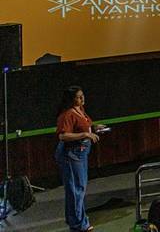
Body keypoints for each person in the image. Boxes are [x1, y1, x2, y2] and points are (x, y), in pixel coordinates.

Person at [55, 86, 104, 232]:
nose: (82, 98)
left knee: (79, 188)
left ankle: (78, 220)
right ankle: (77, 224)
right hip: (71, 154)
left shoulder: (80, 110)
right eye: (78, 97)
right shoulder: (67, 114)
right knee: (76, 189)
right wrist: (85, 135)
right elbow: (63, 136)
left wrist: (94, 128)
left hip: (81, 153)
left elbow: (83, 126)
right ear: (71, 99)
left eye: (82, 95)